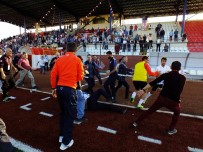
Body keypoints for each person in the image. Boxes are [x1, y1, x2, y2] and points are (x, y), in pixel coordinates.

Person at [133, 61, 186, 135]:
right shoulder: (183, 78)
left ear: (171, 67)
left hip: (162, 98)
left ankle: (136, 122)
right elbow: (179, 90)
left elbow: (153, 82)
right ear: (180, 68)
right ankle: (171, 129)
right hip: (174, 101)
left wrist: (143, 90)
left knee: (150, 111)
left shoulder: (166, 75)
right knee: (177, 112)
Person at [51, 42, 84, 151]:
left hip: (59, 88)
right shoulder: (77, 60)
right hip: (70, 89)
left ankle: (61, 136)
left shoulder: (59, 59)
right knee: (70, 115)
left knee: (63, 113)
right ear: (75, 50)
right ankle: (66, 141)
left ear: (66, 49)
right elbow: (80, 76)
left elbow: (53, 74)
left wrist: (53, 88)